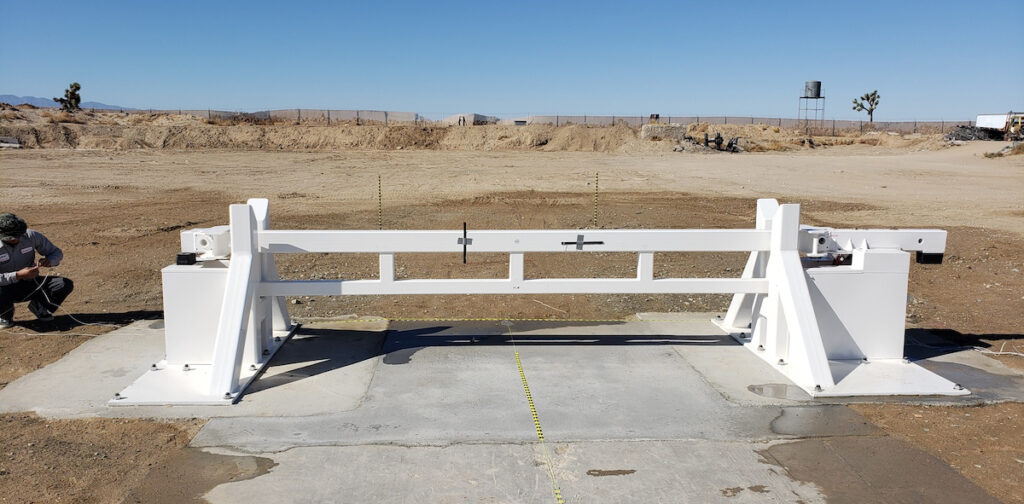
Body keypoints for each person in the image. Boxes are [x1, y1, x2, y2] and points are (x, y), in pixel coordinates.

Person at [0, 213, 73, 328]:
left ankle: (39, 306)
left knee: (64, 284)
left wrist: (50, 260)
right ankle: (4, 316)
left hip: (29, 283)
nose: (17, 239)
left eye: (19, 235)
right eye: (12, 237)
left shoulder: (31, 235)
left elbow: (56, 252)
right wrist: (18, 275)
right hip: (4, 288)